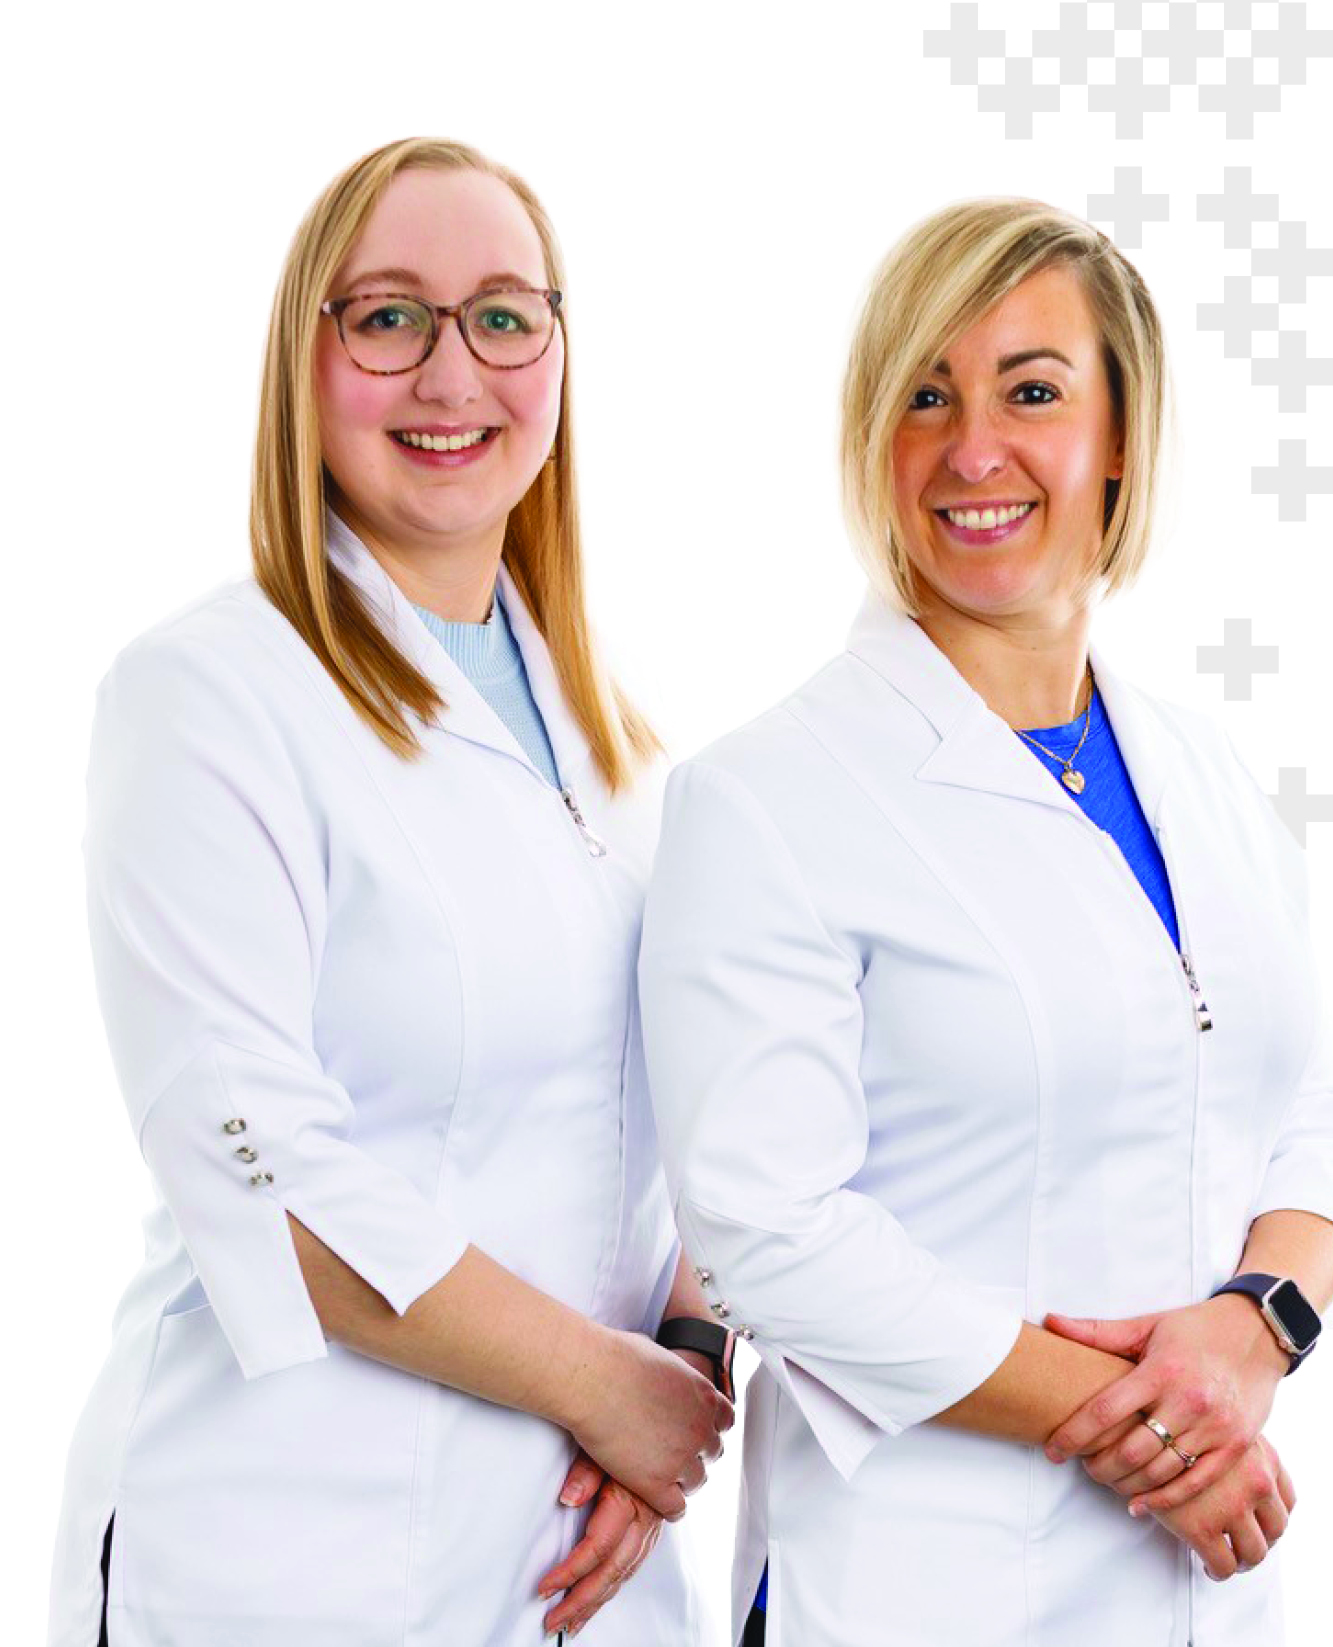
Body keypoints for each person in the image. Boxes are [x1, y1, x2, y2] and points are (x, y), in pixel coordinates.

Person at [47, 136, 733, 1647]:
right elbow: (264, 1176)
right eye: (388, 317)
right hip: (290, 1549)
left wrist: (686, 1353)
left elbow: (711, 1104)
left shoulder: (624, 752)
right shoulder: (206, 698)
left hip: (576, 1568)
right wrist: (610, 1390)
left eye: (503, 316)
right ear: (306, 359)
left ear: (558, 354)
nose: (450, 372)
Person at [637, 198, 1333, 1646]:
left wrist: (1256, 1325)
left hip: (1207, 1593)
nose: (972, 451)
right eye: (924, 398)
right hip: (917, 1586)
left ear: (1121, 435)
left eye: (1032, 391)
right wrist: (1161, 1423)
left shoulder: (1205, 772)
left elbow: (1307, 1106)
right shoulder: (767, 795)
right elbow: (768, 1231)